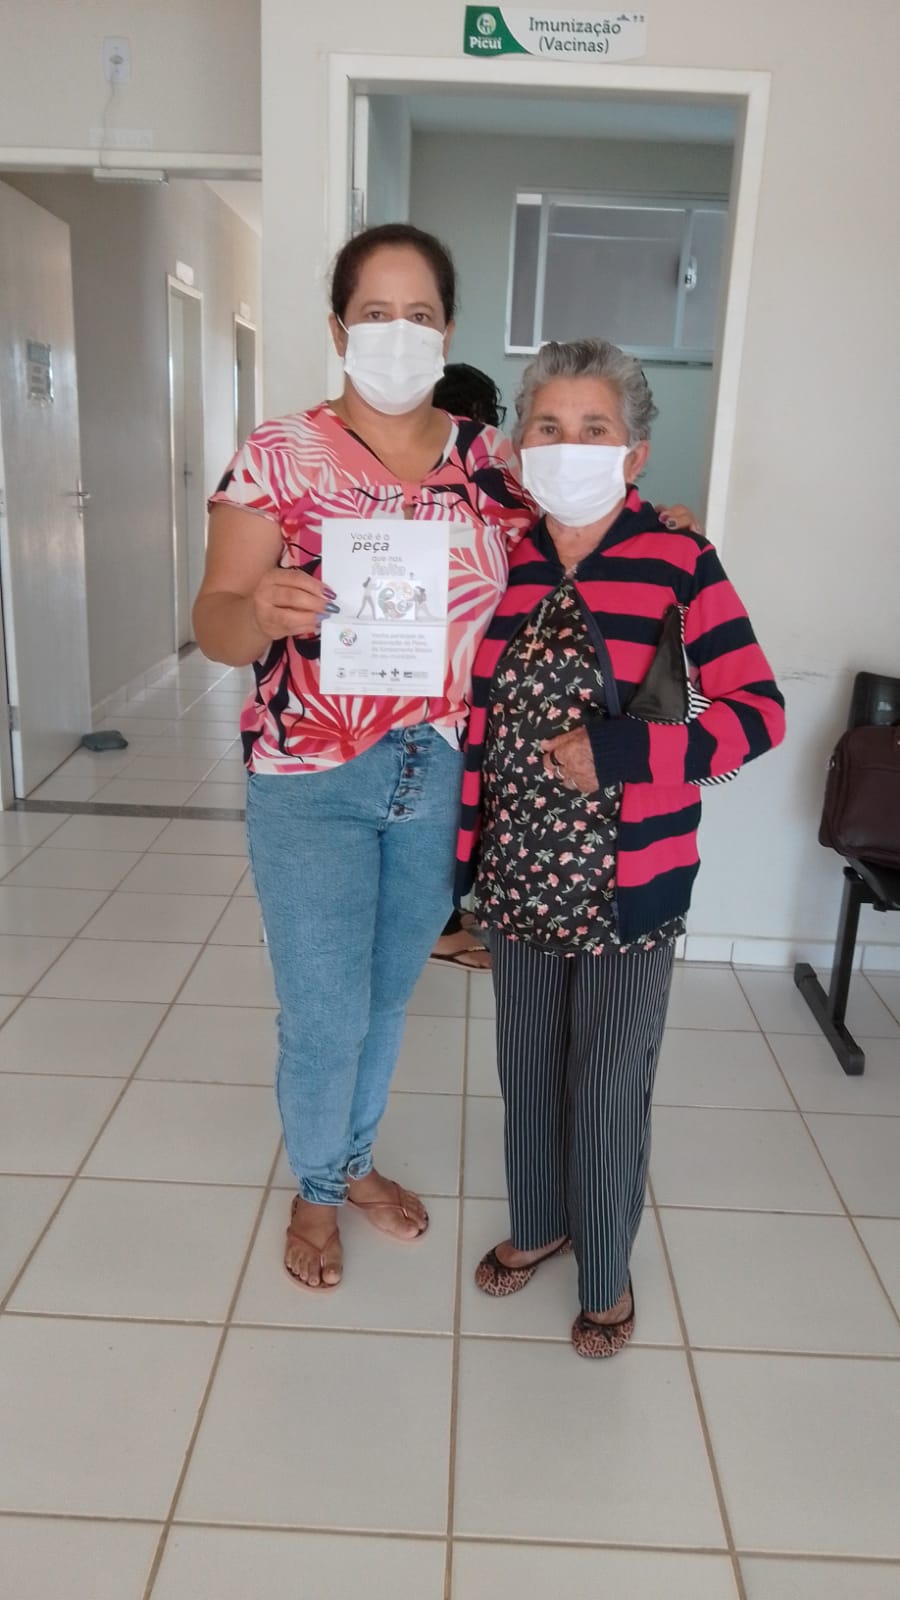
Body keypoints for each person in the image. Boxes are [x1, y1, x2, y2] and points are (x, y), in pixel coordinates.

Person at [193, 224, 532, 1291]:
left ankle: (352, 1160)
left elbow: (574, 559)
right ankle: (316, 1187)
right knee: (324, 1012)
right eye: (375, 314)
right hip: (312, 774)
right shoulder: (280, 453)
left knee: (387, 998)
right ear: (340, 330)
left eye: (419, 314)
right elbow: (213, 621)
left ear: (448, 331)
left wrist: (659, 532)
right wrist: (259, 609)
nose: (398, 333)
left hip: (440, 771)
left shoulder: (492, 463)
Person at [455, 338, 785, 1357]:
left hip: (627, 888)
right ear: (519, 447)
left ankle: (605, 1273)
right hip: (517, 877)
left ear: (634, 453)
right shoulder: (502, 556)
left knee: (606, 1084)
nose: (570, 446)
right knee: (526, 1066)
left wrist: (627, 750)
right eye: (548, 427)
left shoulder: (678, 559)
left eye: (594, 428)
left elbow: (758, 713)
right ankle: (541, 1222)